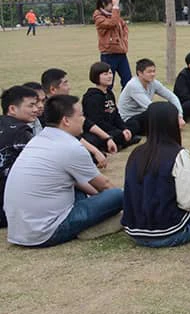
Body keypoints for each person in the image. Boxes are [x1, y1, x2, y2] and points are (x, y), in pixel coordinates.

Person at [4, 95, 123, 247]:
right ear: (66, 120)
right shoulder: (70, 146)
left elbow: (79, 183)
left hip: (20, 230)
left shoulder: (39, 140)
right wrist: (118, 201)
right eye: (81, 115)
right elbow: (105, 185)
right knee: (118, 195)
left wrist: (100, 199)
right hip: (46, 231)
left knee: (82, 188)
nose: (84, 119)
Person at [121, 102, 190, 247]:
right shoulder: (178, 154)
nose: (182, 123)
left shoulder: (135, 153)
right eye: (178, 119)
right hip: (170, 231)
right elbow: (187, 204)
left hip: (135, 232)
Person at [41, 68, 117, 168]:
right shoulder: (46, 110)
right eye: (65, 84)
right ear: (53, 90)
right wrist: (95, 151)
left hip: (74, 139)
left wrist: (107, 138)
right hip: (59, 146)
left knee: (96, 137)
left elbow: (86, 122)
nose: (69, 87)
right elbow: (69, 136)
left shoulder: (64, 103)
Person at [0, 86, 38, 228]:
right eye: (31, 105)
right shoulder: (20, 132)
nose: (36, 109)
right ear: (12, 109)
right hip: (8, 209)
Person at [82, 62, 140, 152]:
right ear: (96, 76)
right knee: (116, 134)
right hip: (100, 130)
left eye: (110, 73)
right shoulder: (92, 97)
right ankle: (119, 142)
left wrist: (124, 128)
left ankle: (122, 140)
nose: (109, 76)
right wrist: (118, 130)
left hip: (113, 127)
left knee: (134, 124)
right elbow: (97, 122)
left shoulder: (109, 93)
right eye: (105, 74)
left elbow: (116, 114)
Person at [119, 58, 184, 135]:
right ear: (140, 73)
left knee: (167, 110)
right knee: (161, 115)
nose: (153, 74)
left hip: (144, 114)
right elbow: (149, 106)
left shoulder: (153, 83)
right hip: (129, 119)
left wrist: (179, 116)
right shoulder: (134, 85)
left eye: (154, 71)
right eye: (149, 72)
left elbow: (171, 96)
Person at [93, 0, 132, 89]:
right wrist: (115, 8)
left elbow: (123, 27)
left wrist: (123, 41)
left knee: (128, 82)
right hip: (108, 54)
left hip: (121, 52)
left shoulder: (115, 15)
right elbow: (112, 23)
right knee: (108, 83)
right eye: (112, 4)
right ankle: (107, 99)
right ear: (104, 3)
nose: (115, 6)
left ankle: (126, 99)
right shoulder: (99, 17)